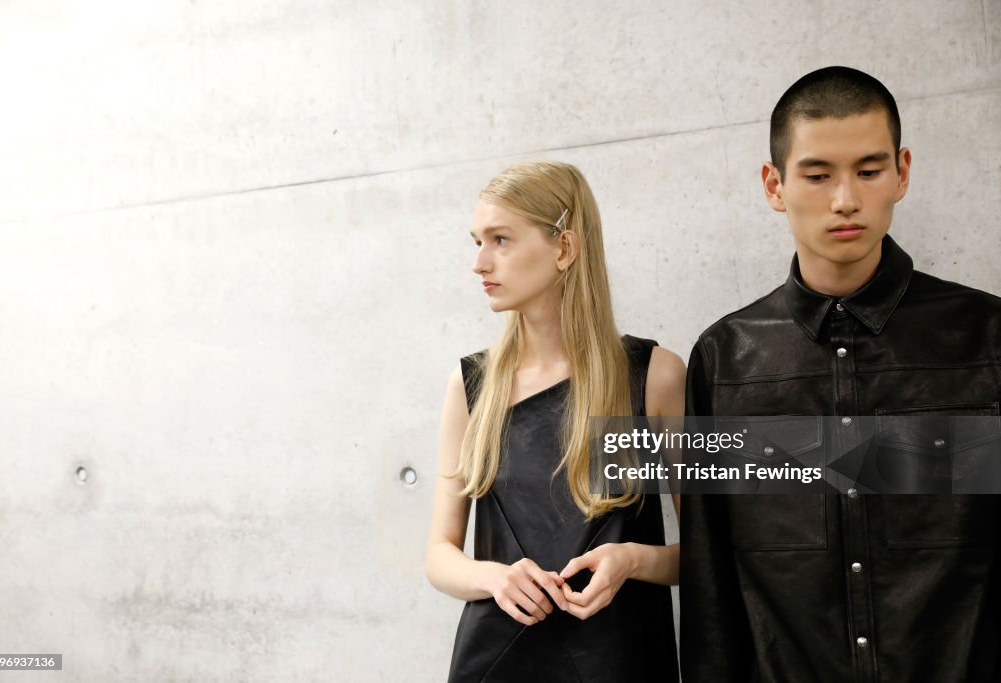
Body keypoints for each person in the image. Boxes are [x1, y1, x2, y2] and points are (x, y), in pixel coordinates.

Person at [679, 66, 1001, 682]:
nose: (845, 199)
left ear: (902, 172)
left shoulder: (984, 339)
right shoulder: (726, 360)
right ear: (774, 185)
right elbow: (709, 578)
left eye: (869, 171)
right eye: (818, 175)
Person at [425, 160, 683, 682]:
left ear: (564, 248)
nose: (479, 262)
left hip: (621, 660)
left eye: (500, 240)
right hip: (496, 662)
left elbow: (709, 554)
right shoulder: (471, 388)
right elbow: (439, 555)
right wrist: (495, 578)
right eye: (477, 240)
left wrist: (632, 559)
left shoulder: (654, 376)